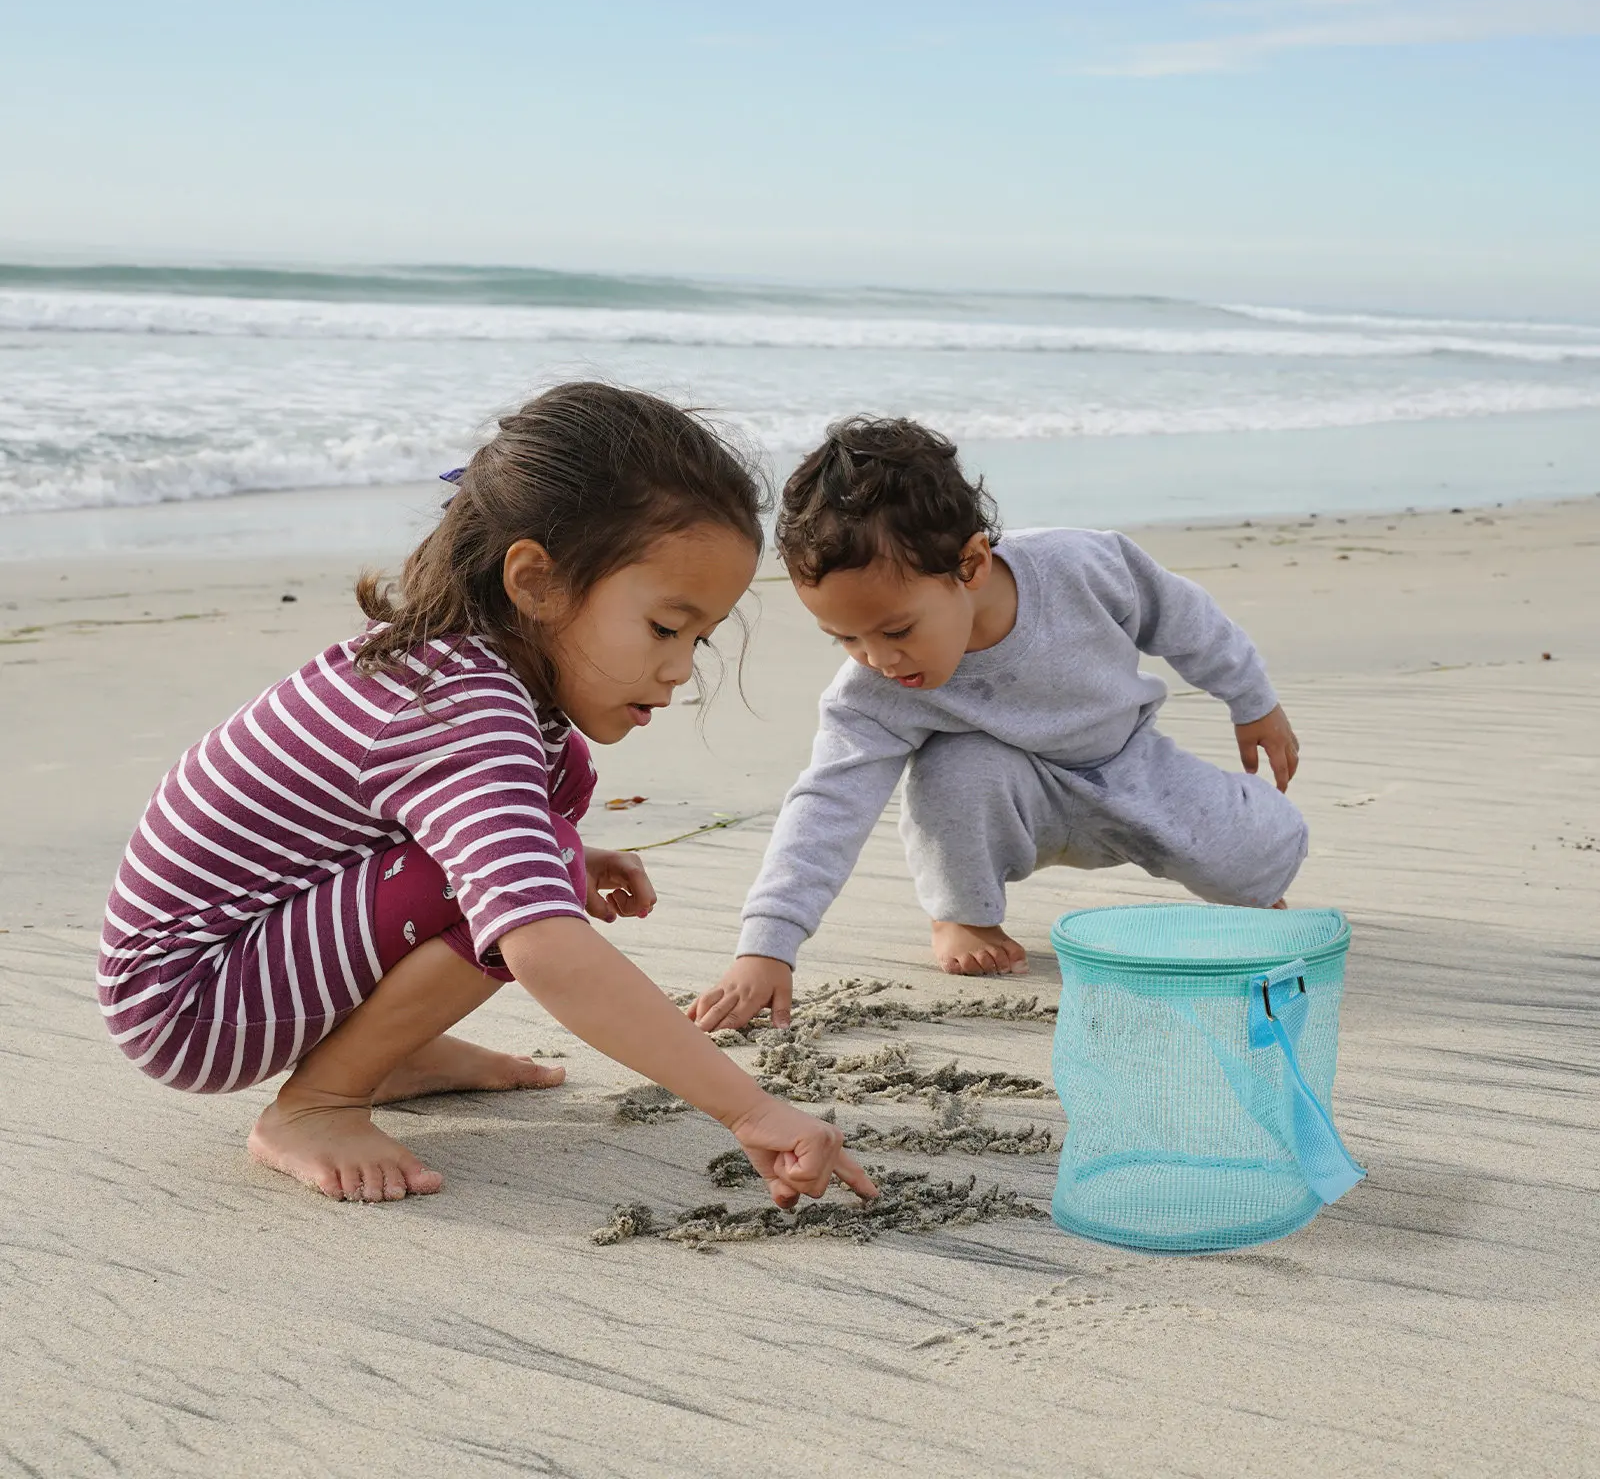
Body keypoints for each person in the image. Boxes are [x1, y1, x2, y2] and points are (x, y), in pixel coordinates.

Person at [99, 383, 875, 1208]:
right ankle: (318, 1103)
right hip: (192, 1001)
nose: (681, 668)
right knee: (535, 873)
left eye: (699, 639)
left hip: (251, 957)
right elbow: (544, 946)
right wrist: (749, 1108)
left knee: (556, 802)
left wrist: (558, 854)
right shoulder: (459, 707)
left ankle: (387, 1052)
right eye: (663, 627)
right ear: (535, 582)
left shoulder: (469, 673)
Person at [689, 417, 1306, 1033]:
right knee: (956, 768)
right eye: (846, 638)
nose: (878, 658)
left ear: (972, 564)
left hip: (1130, 766)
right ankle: (963, 913)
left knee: (1261, 865)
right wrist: (767, 944)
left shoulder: (1079, 565)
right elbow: (828, 803)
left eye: (897, 630)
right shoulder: (873, 693)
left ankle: (1246, 841)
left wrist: (1252, 701)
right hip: (1007, 796)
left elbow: (1184, 618)